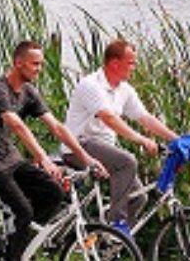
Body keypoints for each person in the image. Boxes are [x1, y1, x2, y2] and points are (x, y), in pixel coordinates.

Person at [0, 41, 104, 261]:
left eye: (41, 64)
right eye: (35, 64)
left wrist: (86, 158)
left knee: (54, 193)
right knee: (24, 211)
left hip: (11, 159)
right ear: (18, 63)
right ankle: (14, 253)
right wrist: (43, 159)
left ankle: (21, 242)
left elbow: (57, 127)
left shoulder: (28, 92)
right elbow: (17, 125)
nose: (39, 69)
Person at [63, 40, 181, 235]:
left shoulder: (124, 89)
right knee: (127, 161)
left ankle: (110, 244)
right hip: (78, 146)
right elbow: (109, 118)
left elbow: (145, 118)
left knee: (138, 198)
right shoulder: (91, 85)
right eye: (131, 63)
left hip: (103, 150)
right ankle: (116, 224)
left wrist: (177, 139)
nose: (134, 67)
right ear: (115, 63)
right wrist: (142, 140)